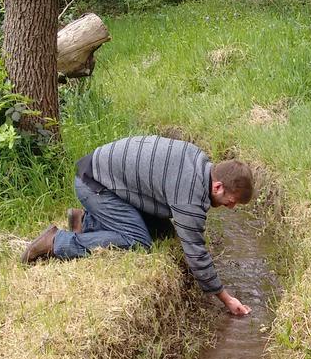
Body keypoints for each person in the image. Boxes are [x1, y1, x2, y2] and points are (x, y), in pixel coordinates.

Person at [22, 134, 254, 317]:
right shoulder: (190, 193)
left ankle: (86, 222)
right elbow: (196, 252)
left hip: (102, 176)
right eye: (231, 202)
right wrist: (226, 297)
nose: (230, 208)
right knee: (138, 242)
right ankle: (56, 242)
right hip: (94, 185)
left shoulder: (199, 162)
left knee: (163, 232)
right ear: (218, 187)